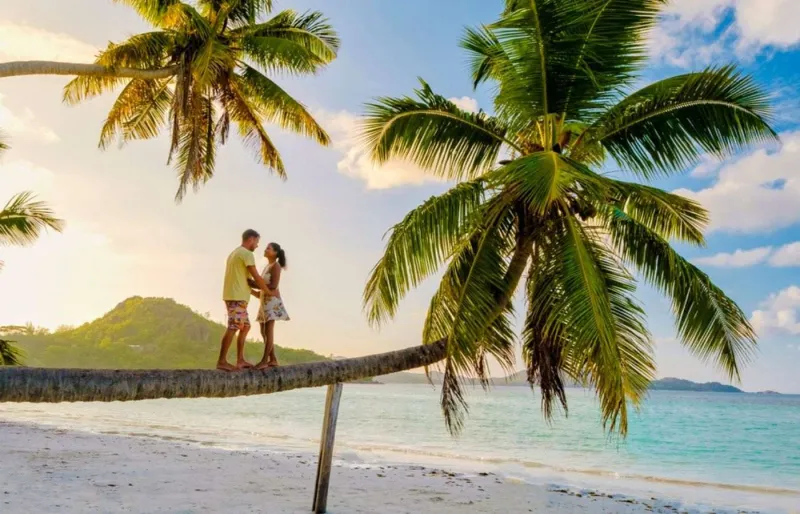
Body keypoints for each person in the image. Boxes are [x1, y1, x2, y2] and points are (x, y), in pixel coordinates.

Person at [218, 229, 270, 372]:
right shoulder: (247, 254)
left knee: (245, 326)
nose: (257, 246)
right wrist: (269, 291)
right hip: (236, 297)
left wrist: (256, 294)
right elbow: (256, 277)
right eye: (257, 242)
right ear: (251, 239)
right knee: (234, 326)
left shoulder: (235, 253)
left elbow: (244, 280)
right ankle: (221, 361)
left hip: (237, 296)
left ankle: (240, 360)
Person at [251, 242, 290, 370]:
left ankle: (264, 361)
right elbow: (262, 287)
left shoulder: (276, 266)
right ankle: (272, 359)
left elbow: (273, 286)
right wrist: (252, 287)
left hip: (272, 302)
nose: (266, 249)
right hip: (264, 301)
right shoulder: (267, 266)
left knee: (268, 331)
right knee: (263, 331)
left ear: (275, 253)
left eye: (269, 248)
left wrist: (253, 283)